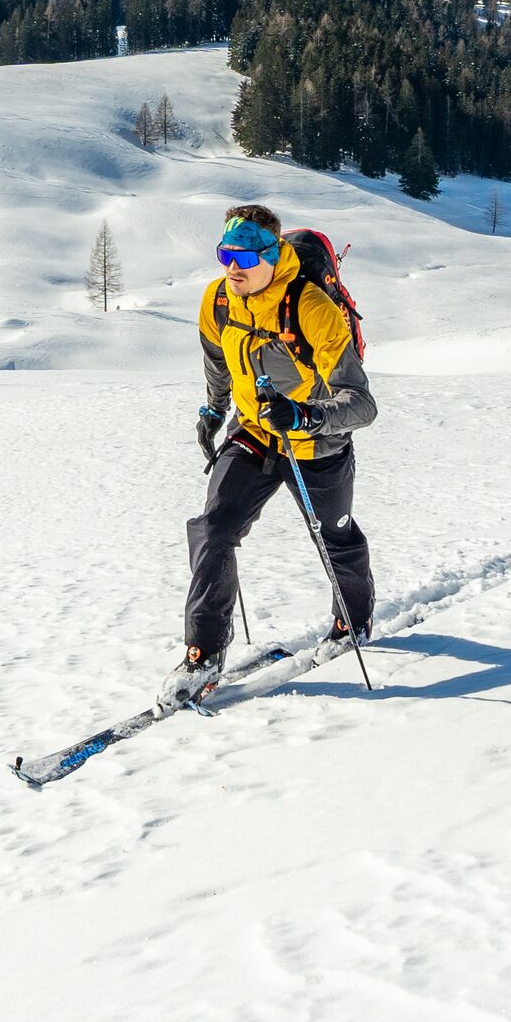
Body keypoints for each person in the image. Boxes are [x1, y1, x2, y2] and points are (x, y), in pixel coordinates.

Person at [173, 205, 378, 702]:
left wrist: (305, 415)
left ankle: (352, 622)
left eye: (243, 254)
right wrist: (213, 410)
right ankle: (203, 655)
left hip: (317, 442)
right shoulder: (218, 300)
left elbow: (362, 403)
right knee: (215, 527)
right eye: (225, 253)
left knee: (335, 537)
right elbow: (218, 360)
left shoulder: (310, 307)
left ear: (273, 253)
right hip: (255, 432)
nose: (232, 267)